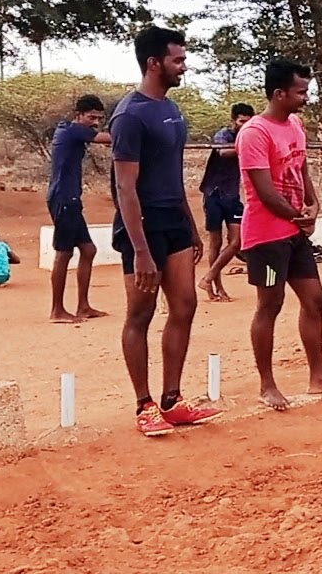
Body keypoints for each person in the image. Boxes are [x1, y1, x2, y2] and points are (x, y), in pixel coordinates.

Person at [110, 25, 220, 437]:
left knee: (185, 305)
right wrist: (139, 249)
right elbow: (125, 187)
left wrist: (191, 226)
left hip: (173, 221)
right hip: (142, 227)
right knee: (140, 313)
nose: (184, 67)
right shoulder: (130, 114)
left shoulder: (174, 112)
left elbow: (173, 176)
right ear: (154, 63)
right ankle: (144, 405)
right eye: (178, 60)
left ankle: (172, 400)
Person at [236, 58, 322, 411]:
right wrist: (299, 216)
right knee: (269, 304)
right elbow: (263, 189)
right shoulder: (255, 133)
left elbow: (301, 170)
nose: (306, 98)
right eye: (301, 92)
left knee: (314, 298)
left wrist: (314, 205)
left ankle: (318, 376)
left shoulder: (296, 125)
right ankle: (267, 384)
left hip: (294, 232)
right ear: (279, 93)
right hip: (266, 237)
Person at [46, 95, 111, 322]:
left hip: (69, 197)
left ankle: (83, 306)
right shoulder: (74, 130)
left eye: (99, 118)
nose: (95, 122)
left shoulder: (69, 130)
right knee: (64, 252)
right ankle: (57, 310)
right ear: (79, 115)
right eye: (91, 117)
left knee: (88, 250)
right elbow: (109, 138)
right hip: (64, 198)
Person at [197, 103, 255, 302]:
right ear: (233, 121)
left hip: (232, 195)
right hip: (214, 193)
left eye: (248, 122)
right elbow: (222, 151)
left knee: (237, 241)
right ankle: (215, 288)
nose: (244, 125)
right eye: (241, 121)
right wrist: (247, 145)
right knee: (216, 242)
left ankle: (209, 277)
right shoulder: (225, 135)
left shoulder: (249, 136)